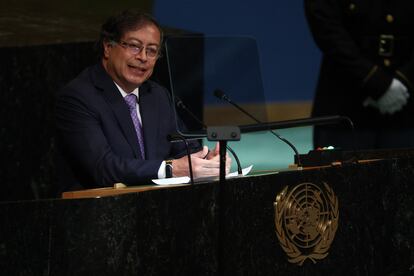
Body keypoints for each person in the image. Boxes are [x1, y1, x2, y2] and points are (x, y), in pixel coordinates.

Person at [55, 10, 231, 193]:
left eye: (152, 51)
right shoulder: (78, 97)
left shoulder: (156, 95)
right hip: (97, 210)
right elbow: (103, 168)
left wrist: (207, 160)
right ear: (108, 47)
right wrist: (170, 169)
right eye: (134, 46)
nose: (143, 57)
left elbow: (182, 149)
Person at [304, 0, 414, 150]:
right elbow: (323, 21)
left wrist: (405, 77)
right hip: (345, 102)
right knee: (339, 173)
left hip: (407, 106)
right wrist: (375, 80)